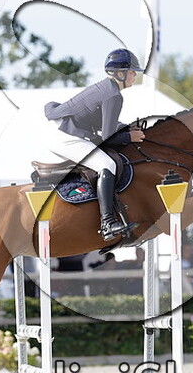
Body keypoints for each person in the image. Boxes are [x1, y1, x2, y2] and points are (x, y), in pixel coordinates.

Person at [44, 48, 146, 241]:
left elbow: (103, 123)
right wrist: (129, 137)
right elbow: (107, 137)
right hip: (65, 136)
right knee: (107, 165)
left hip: (62, 128)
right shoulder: (114, 95)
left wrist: (125, 128)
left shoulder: (107, 88)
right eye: (132, 71)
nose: (135, 75)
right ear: (120, 73)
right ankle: (107, 223)